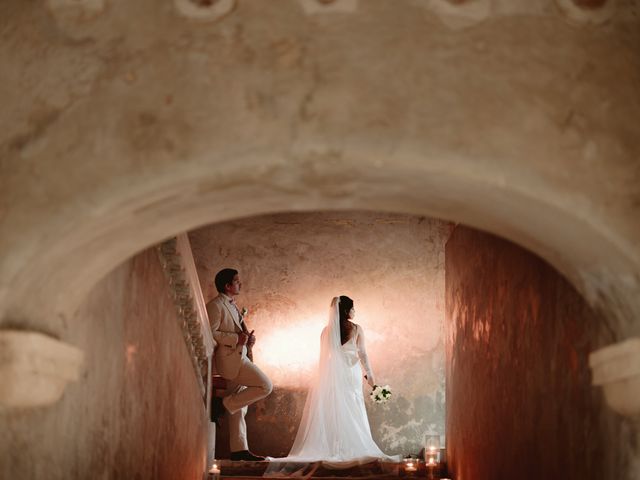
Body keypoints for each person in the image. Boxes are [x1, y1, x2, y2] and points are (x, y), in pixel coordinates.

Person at [267, 296, 399, 472]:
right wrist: (371, 379)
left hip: (334, 375)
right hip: (351, 374)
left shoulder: (325, 331)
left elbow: (323, 360)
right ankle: (351, 447)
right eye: (353, 308)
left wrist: (325, 379)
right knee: (353, 408)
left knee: (335, 410)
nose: (354, 311)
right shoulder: (357, 329)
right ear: (346, 311)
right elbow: (363, 355)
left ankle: (336, 447)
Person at [207, 268, 272, 462]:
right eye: (236, 281)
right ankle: (222, 405)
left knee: (240, 407)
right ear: (227, 286)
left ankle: (238, 450)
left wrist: (247, 341)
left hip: (240, 356)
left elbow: (237, 332)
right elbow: (211, 332)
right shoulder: (215, 305)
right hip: (230, 360)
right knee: (265, 385)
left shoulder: (233, 305)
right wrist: (236, 339)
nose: (240, 284)